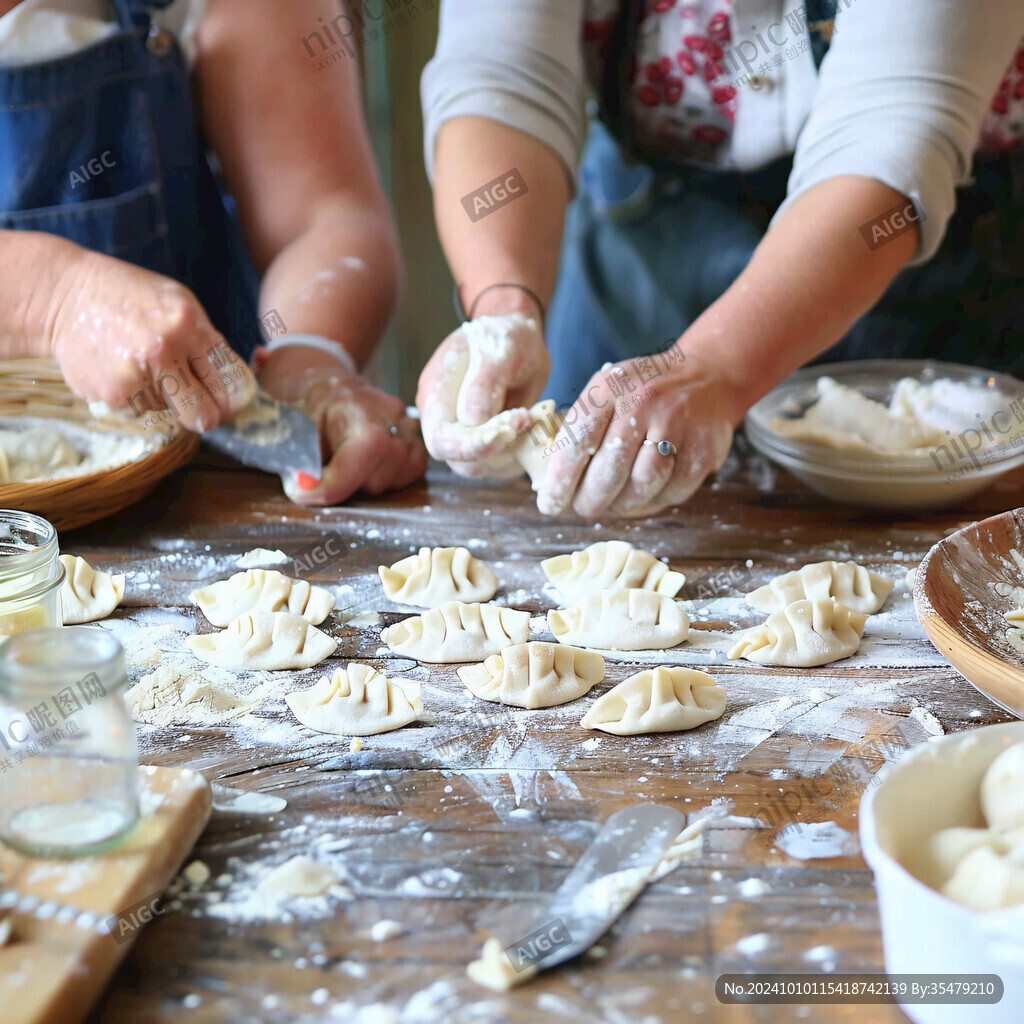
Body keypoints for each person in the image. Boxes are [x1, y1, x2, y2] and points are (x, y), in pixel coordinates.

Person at [418, 0, 1024, 518]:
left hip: (912, 270)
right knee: (589, 492)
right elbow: (501, 75)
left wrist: (716, 367)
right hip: (640, 245)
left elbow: (893, 128)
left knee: (956, 568)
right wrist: (503, 303)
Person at [0, 0, 425, 505]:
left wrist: (307, 357)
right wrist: (57, 301)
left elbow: (322, 216)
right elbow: (56, 299)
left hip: (190, 492)